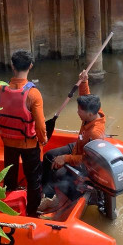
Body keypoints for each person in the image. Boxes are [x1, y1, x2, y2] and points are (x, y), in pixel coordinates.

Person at [0, 50, 46, 218]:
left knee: (10, 175)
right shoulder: (34, 94)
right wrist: (42, 140)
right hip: (29, 143)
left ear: (12, 66)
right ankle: (32, 212)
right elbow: (40, 124)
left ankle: (8, 206)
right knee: (33, 179)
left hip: (8, 141)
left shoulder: (0, 89)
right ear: (30, 66)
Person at [39, 69, 105, 213]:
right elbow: (85, 97)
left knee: (58, 173)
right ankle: (44, 192)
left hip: (84, 160)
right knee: (49, 156)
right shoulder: (92, 113)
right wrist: (84, 81)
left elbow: (89, 160)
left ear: (89, 113)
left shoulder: (95, 133)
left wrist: (66, 158)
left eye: (79, 110)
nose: (77, 112)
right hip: (79, 147)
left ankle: (61, 199)